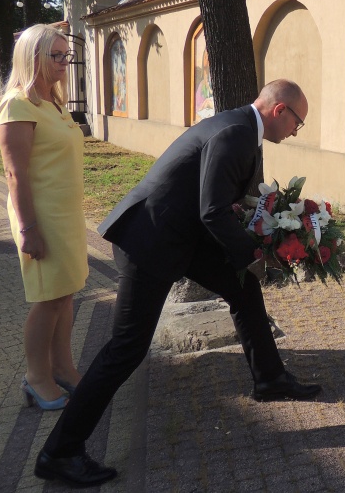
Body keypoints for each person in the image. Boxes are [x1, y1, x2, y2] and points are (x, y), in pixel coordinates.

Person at [34, 79, 317, 487]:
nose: (295, 131)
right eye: (298, 123)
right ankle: (59, 452)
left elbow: (214, 202)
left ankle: (270, 379)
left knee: (242, 289)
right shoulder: (237, 132)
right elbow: (212, 210)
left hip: (180, 237)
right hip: (149, 241)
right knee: (126, 349)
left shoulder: (242, 129)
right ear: (280, 111)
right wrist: (255, 255)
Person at [0, 24, 86, 411]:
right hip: (41, 217)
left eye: (66, 55)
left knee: (65, 295)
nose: (65, 62)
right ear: (33, 57)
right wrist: (28, 228)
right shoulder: (17, 104)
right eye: (57, 55)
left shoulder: (53, 103)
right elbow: (14, 174)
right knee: (48, 299)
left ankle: (63, 368)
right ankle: (37, 377)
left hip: (66, 215)